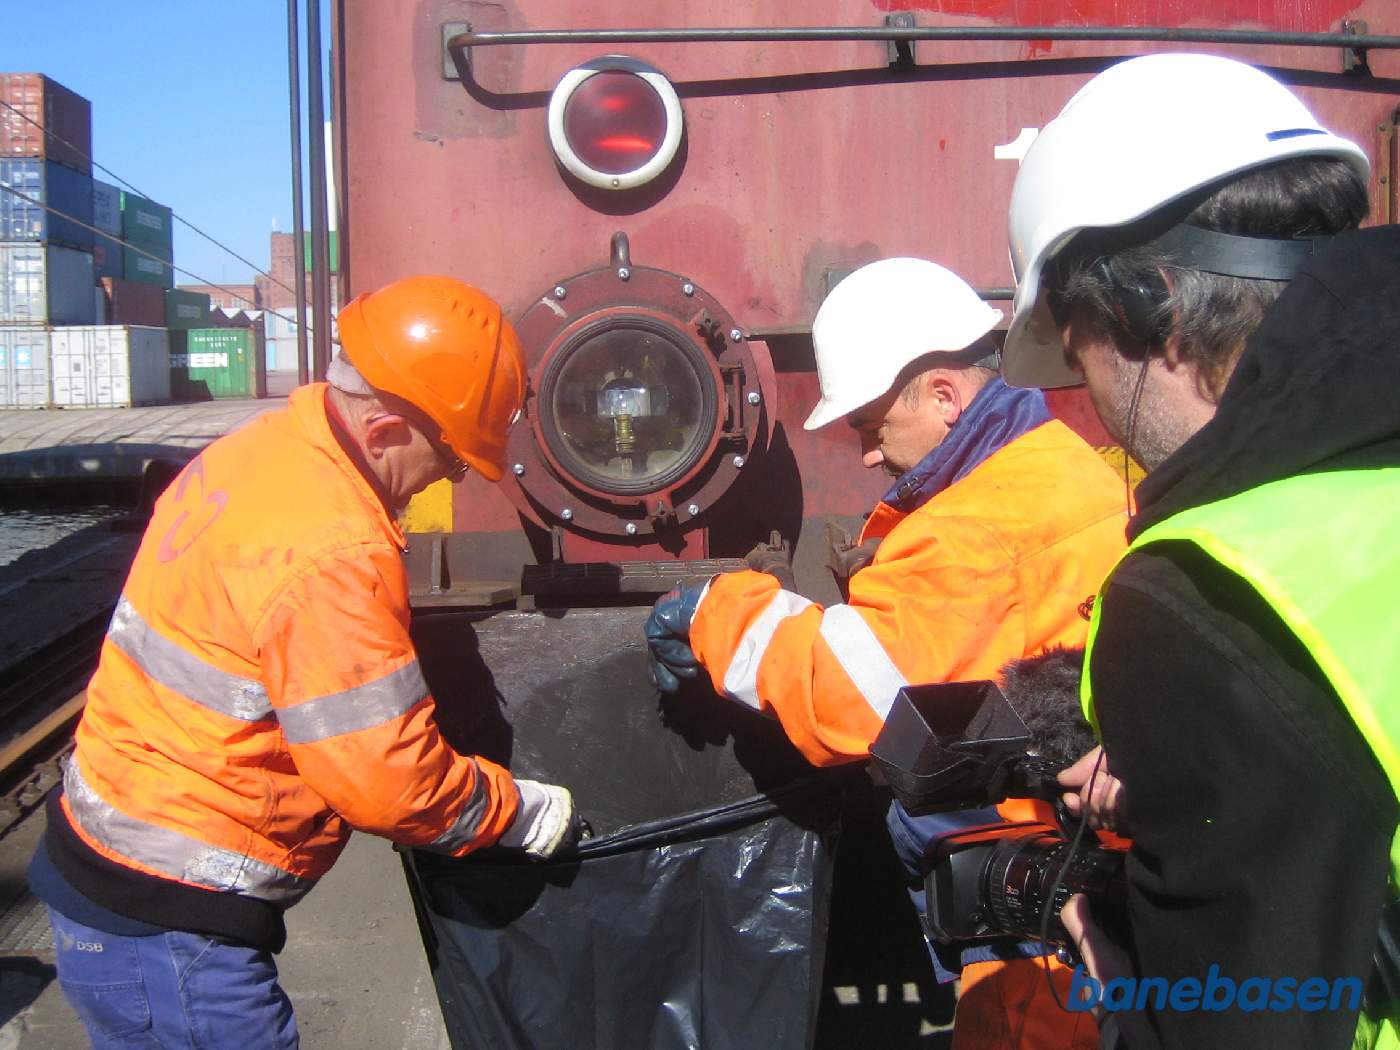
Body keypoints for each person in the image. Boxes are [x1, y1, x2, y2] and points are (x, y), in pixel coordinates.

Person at [29, 275, 580, 1049]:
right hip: (170, 919)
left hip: (122, 869)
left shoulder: (261, 450)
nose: (444, 482)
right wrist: (513, 811)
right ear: (386, 431)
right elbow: (388, 784)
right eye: (450, 463)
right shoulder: (331, 548)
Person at [1001, 52, 1400, 1049]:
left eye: (1072, 347)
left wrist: (1123, 975)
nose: (1084, 396)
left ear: (1148, 308)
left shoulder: (1204, 592)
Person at [646, 256, 1128, 1047]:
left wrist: (716, 610)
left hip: (1042, 908)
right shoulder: (1065, 467)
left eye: (872, 428)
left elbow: (847, 696)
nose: (869, 455)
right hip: (1091, 857)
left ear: (943, 396)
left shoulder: (974, 530)